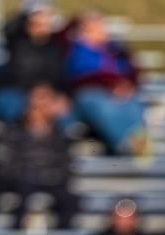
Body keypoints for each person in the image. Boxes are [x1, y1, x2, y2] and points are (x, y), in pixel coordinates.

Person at [0, 83, 80, 230]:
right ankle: (16, 233)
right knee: (22, 193)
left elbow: (66, 162)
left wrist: (55, 175)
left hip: (52, 179)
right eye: (37, 99)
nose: (40, 105)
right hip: (24, 179)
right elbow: (8, 161)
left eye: (45, 99)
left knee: (70, 199)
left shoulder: (60, 133)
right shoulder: (15, 130)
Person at [63, 11, 147, 156]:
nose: (100, 30)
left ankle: (139, 144)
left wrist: (126, 85)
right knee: (103, 107)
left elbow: (133, 72)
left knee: (133, 106)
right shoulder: (74, 49)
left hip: (118, 91)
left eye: (101, 26)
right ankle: (123, 144)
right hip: (90, 93)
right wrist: (112, 85)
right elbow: (81, 77)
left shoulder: (116, 49)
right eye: (93, 27)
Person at [0, 0, 69, 123]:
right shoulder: (18, 41)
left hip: (49, 93)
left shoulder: (57, 46)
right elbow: (8, 28)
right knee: (10, 104)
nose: (43, 22)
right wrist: (27, 12)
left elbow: (59, 76)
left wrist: (50, 93)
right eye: (39, 17)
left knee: (64, 112)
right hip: (19, 91)